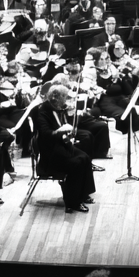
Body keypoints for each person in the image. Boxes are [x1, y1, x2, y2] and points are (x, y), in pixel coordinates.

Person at [31, 83, 98, 212]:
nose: (67, 100)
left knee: (85, 157)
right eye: (65, 97)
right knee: (76, 163)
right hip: (49, 153)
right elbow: (46, 134)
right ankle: (73, 202)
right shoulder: (41, 112)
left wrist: (70, 115)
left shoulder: (58, 108)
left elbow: (65, 122)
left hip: (61, 145)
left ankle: (83, 194)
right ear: (56, 98)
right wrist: (60, 131)